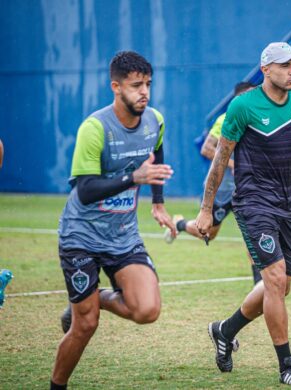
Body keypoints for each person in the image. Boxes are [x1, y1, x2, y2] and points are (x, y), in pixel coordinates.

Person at [195, 42, 291, 387]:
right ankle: (287, 366)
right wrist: (206, 210)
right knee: (275, 281)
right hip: (252, 203)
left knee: (278, 287)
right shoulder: (242, 106)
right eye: (284, 65)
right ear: (265, 70)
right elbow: (220, 159)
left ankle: (225, 330)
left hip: (288, 204)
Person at [50, 51, 176, 390]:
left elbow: (157, 152)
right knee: (85, 324)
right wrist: (134, 178)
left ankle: (99, 297)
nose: (144, 92)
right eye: (136, 86)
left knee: (147, 310)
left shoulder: (155, 121)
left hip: (123, 236)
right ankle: (57, 385)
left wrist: (159, 204)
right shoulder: (95, 128)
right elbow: (87, 190)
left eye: (148, 84)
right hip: (81, 236)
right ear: (116, 87)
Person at [164, 81, 262, 285]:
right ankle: (180, 224)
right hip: (223, 190)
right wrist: (235, 164)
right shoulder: (225, 119)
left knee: (253, 234)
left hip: (247, 190)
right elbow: (207, 149)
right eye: (247, 96)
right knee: (208, 233)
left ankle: (259, 287)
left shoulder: (260, 120)